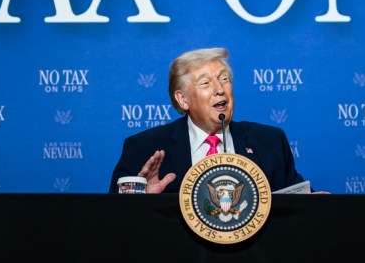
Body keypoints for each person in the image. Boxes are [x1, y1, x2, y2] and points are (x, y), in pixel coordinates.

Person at [109, 47, 306, 194]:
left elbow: (296, 203)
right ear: (183, 99)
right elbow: (115, 220)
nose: (219, 89)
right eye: (205, 83)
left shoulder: (269, 141)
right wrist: (141, 199)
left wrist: (317, 202)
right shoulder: (143, 148)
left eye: (224, 79)